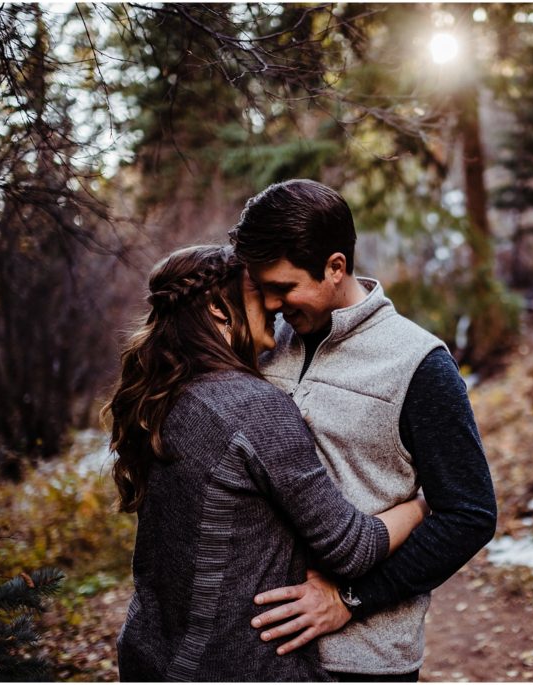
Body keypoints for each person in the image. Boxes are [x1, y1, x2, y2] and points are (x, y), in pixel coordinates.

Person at [105, 244, 428, 681]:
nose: (275, 304)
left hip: (150, 658)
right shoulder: (252, 406)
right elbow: (350, 549)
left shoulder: (160, 398)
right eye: (260, 291)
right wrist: (421, 504)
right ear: (220, 309)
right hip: (235, 668)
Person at [229, 180, 498, 681]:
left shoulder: (418, 363)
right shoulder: (265, 345)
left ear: (335, 267)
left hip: (362, 661)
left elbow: (470, 514)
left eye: (283, 288)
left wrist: (352, 599)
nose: (268, 304)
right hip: (259, 654)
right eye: (261, 288)